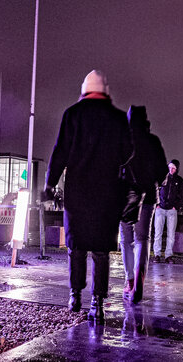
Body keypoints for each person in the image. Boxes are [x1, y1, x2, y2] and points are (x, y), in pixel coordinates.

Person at [42, 70, 132, 322]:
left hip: (78, 190)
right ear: (105, 89)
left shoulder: (72, 114)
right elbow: (127, 155)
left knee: (76, 247)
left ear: (84, 89)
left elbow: (60, 151)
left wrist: (50, 184)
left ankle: (75, 295)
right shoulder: (118, 118)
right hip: (107, 192)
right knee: (102, 250)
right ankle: (98, 301)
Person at [119, 105, 167, 304]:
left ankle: (129, 280)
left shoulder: (123, 140)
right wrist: (154, 183)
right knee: (142, 239)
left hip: (125, 196)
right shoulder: (153, 141)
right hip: (147, 196)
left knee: (126, 240)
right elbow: (163, 171)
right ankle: (139, 284)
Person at [153, 159, 183, 263]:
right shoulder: (162, 178)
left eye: (173, 168)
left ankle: (168, 255)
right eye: (169, 167)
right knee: (157, 233)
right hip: (160, 209)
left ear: (177, 169)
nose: (171, 170)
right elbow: (155, 190)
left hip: (172, 210)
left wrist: (176, 206)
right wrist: (157, 204)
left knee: (171, 235)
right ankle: (157, 255)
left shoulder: (180, 181)